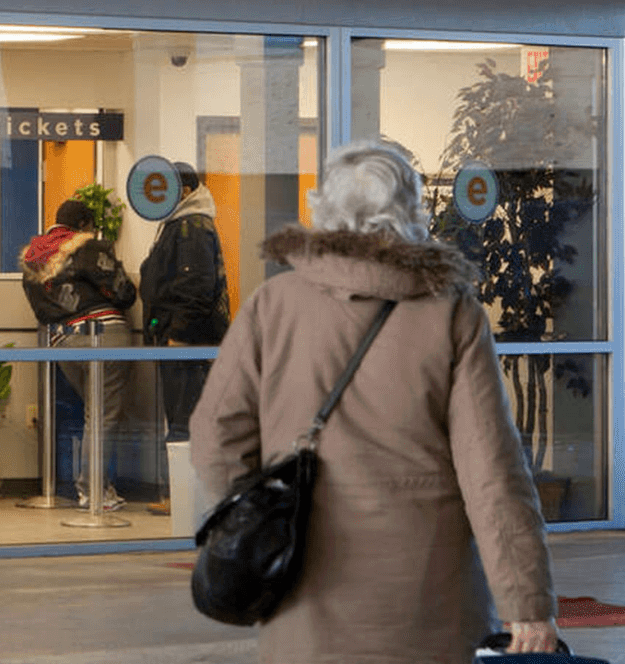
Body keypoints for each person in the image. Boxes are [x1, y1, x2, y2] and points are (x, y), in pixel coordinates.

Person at [190, 141, 557, 661]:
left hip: (301, 591)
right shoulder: (450, 312)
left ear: (323, 209)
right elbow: (491, 469)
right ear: (411, 212)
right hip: (429, 597)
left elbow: (214, 435)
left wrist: (263, 512)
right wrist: (528, 603)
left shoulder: (273, 306)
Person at [21, 199, 137, 512]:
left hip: (63, 341)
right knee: (102, 418)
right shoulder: (89, 247)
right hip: (104, 335)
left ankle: (97, 486)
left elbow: (43, 309)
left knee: (92, 415)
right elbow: (123, 292)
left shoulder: (34, 256)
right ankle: (93, 492)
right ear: (84, 225)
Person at [136, 162, 229, 516]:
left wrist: (177, 333)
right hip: (178, 338)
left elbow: (196, 286)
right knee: (180, 416)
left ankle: (188, 499)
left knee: (185, 419)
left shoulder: (193, 226)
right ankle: (182, 496)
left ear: (185, 192)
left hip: (188, 342)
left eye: (166, 189)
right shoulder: (179, 224)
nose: (158, 197)